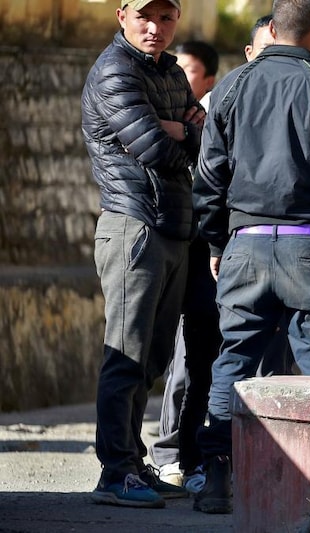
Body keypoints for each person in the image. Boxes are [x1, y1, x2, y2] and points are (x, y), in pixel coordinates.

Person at [191, 0, 310, 514]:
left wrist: (217, 243)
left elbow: (208, 179)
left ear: (270, 29)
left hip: (245, 244)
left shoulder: (229, 86)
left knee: (235, 358)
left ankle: (216, 478)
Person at [81, 0, 200, 508]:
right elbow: (158, 149)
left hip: (172, 226)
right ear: (122, 15)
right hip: (133, 225)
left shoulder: (170, 71)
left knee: (152, 355)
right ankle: (114, 471)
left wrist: (187, 129)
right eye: (145, 16)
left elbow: (203, 140)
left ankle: (131, 459)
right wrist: (181, 131)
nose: (156, 28)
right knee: (126, 354)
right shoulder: (114, 71)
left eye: (167, 17)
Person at [149, 39, 220, 492]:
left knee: (199, 355)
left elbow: (210, 153)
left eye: (190, 73)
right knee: (164, 355)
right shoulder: (191, 105)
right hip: (170, 234)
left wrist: (183, 130)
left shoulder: (213, 106)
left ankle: (190, 456)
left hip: (206, 241)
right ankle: (167, 453)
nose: (182, 82)